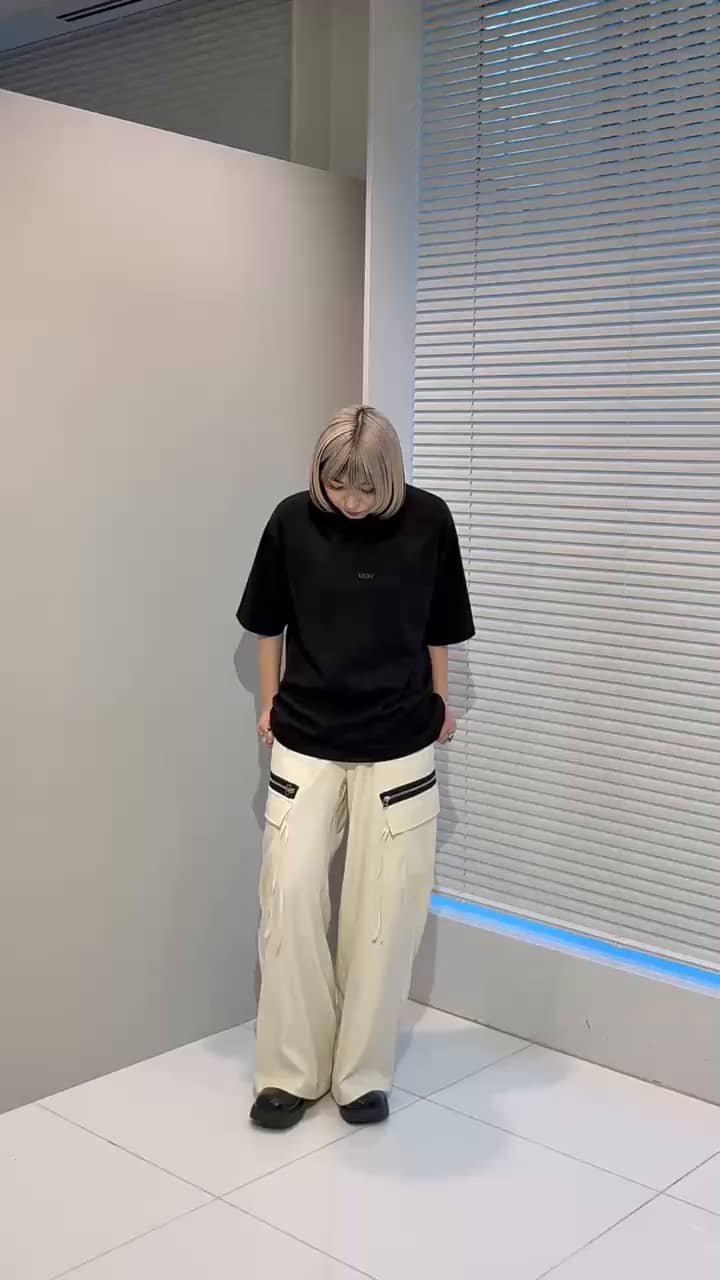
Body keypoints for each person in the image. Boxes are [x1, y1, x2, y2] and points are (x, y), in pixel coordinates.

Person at [237, 405, 474, 1131]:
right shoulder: (291, 521)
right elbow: (266, 625)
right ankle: (290, 1072)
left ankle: (361, 1075)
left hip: (399, 739)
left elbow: (439, 628)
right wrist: (269, 704)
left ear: (390, 476)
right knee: (291, 895)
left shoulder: (430, 522)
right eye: (339, 484)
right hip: (307, 735)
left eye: (367, 487)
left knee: (386, 912)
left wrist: (440, 703)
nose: (352, 500)